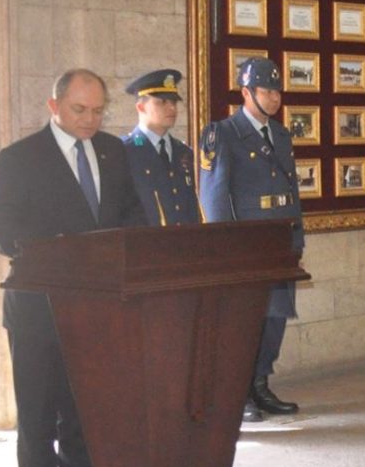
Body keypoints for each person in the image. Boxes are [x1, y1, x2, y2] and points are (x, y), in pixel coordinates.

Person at [0, 68, 144, 467]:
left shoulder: (113, 151)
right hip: (39, 303)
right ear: (54, 106)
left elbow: (130, 212)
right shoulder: (20, 158)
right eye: (79, 110)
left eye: (97, 110)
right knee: (38, 408)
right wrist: (48, 247)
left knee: (86, 402)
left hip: (99, 303)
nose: (90, 120)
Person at [198, 57, 305, 422]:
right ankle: (238, 392)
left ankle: (260, 384)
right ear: (246, 93)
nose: (274, 98)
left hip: (277, 247)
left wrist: (296, 242)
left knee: (274, 319)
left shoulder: (281, 135)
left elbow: (291, 194)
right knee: (244, 324)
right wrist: (227, 253)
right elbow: (213, 199)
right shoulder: (222, 134)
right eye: (266, 90)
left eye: (277, 90)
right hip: (245, 251)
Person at [121, 68, 202, 227]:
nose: (172, 108)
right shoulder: (125, 150)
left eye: (173, 102)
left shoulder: (183, 152)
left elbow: (190, 205)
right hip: (145, 244)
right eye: (162, 102)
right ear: (141, 107)